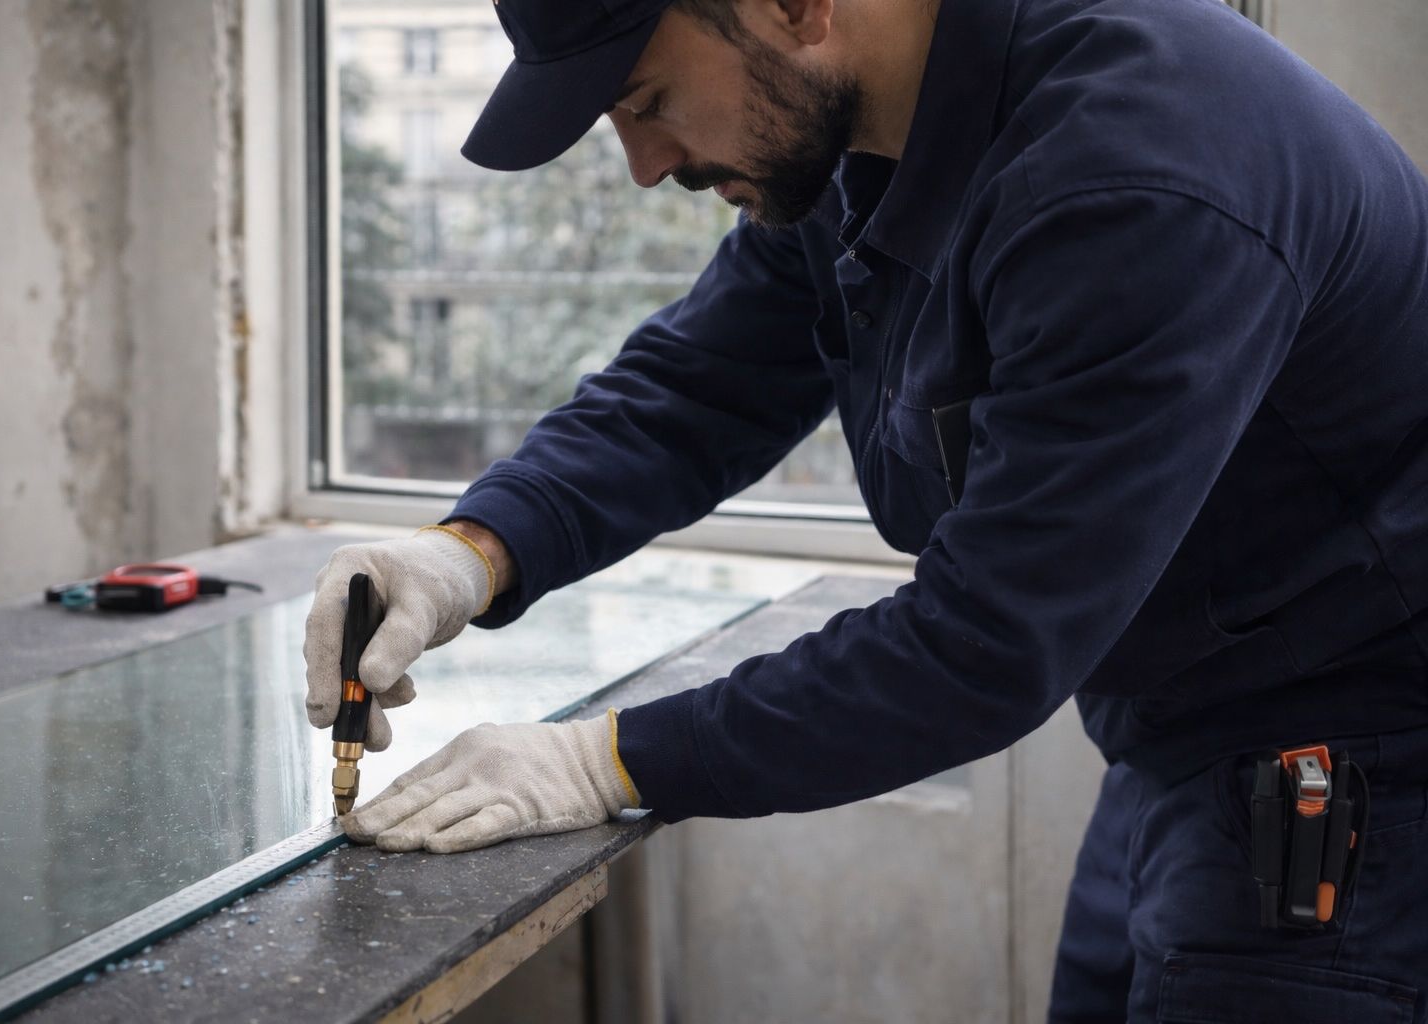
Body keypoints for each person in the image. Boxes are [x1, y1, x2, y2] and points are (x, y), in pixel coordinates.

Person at [304, 0, 1428, 1017]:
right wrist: (465, 554)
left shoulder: (1136, 173)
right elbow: (695, 392)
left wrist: (603, 763)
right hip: (1180, 741)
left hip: (1358, 766)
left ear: (795, 6)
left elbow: (983, 643)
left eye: (645, 102)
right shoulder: (862, 144)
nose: (646, 165)